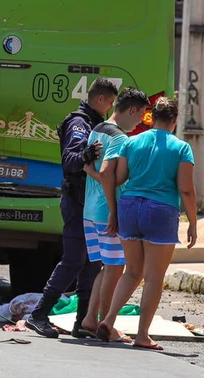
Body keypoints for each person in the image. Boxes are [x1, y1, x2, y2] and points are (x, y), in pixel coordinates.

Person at [97, 97, 197, 351]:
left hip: (129, 207)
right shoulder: (182, 148)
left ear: (153, 117)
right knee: (153, 277)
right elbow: (186, 190)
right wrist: (193, 222)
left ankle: (108, 320)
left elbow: (119, 178)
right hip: (161, 211)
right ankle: (142, 335)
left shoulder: (132, 142)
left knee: (132, 271)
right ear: (174, 121)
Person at [26, 77, 119, 339]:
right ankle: (39, 315)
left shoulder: (93, 123)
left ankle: (82, 322)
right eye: (110, 103)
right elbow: (70, 160)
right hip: (76, 201)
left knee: (91, 263)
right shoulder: (79, 123)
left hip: (86, 203)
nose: (110, 108)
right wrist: (87, 155)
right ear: (100, 99)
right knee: (74, 260)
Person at [79, 87, 150, 341]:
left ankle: (90, 319)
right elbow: (108, 173)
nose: (141, 121)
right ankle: (105, 324)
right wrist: (113, 211)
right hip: (104, 211)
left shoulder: (98, 129)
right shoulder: (120, 138)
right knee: (115, 268)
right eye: (141, 115)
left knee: (106, 268)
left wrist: (91, 173)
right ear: (132, 110)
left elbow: (94, 168)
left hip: (90, 210)